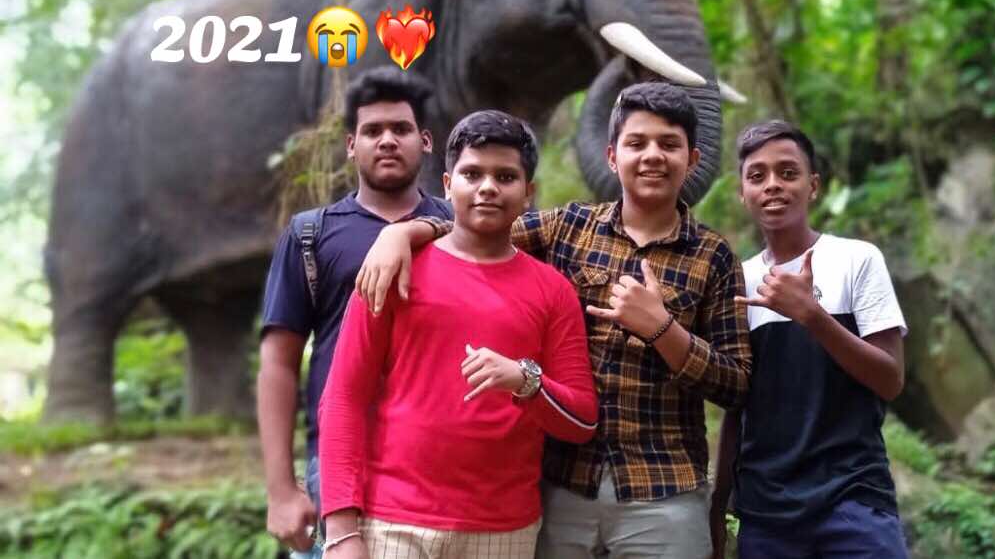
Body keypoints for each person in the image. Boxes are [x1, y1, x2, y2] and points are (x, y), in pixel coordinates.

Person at [355, 82, 752, 557]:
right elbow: (478, 227)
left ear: (692, 159)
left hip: (664, 491)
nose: (652, 156)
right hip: (563, 485)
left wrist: (664, 331)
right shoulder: (569, 227)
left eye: (669, 144)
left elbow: (736, 385)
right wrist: (402, 233)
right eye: (637, 142)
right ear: (612, 157)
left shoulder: (714, 256)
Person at [317, 110, 599, 559]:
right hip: (393, 523)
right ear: (448, 186)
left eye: (505, 176)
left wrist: (525, 380)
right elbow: (343, 398)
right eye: (472, 174)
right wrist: (340, 530)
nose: (487, 187)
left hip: (503, 529)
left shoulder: (553, 291)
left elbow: (582, 421)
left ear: (528, 193)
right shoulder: (391, 268)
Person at [256, 66, 452, 558]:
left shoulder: (463, 227)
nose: (387, 140)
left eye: (401, 129)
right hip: (339, 463)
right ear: (351, 145)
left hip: (446, 462)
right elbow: (278, 363)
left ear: (425, 141)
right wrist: (280, 489)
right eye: (372, 131)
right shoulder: (310, 235)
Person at [710, 120, 909, 558]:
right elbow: (736, 408)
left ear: (813, 185)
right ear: (742, 193)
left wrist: (813, 317)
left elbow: (890, 379)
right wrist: (717, 505)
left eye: (788, 172)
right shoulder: (737, 282)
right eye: (757, 176)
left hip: (854, 499)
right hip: (767, 513)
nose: (773, 185)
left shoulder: (856, 260)